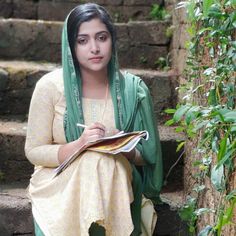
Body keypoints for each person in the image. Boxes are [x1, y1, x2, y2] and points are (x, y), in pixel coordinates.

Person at [25, 3, 163, 236]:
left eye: (102, 37)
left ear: (112, 40)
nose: (95, 48)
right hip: (61, 180)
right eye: (83, 40)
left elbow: (146, 156)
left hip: (115, 179)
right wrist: (80, 145)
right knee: (92, 160)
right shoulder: (50, 87)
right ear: (71, 46)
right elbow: (34, 151)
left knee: (102, 162)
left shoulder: (133, 90)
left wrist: (120, 144)